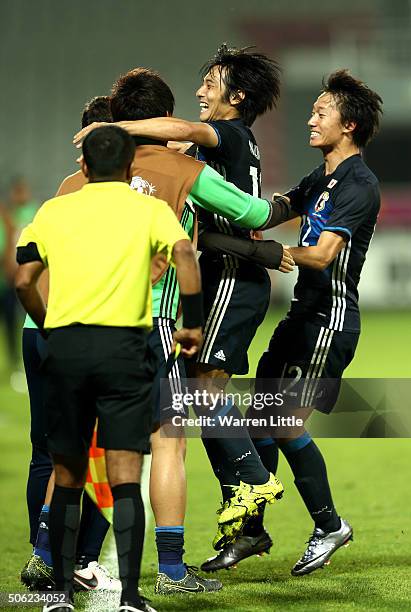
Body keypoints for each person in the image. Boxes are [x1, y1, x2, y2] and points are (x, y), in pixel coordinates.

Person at [74, 46, 289, 557]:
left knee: (199, 390)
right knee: (194, 399)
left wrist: (118, 129)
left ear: (235, 97)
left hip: (230, 283)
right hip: (221, 281)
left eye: (211, 84)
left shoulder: (224, 135)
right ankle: (247, 510)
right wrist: (267, 241)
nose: (200, 93)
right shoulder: (194, 164)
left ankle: (252, 480)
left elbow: (194, 140)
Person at [200, 69, 383, 574]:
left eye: (321, 112)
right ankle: (252, 532)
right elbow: (275, 208)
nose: (310, 119)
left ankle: (329, 526)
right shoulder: (320, 178)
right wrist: (227, 205)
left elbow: (323, 255)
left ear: (348, 125)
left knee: (281, 425)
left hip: (329, 321)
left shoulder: (358, 184)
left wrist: (268, 252)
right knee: (260, 418)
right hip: (301, 317)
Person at [15, 125, 203, 612]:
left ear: (83, 167)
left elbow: (22, 278)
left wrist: (48, 324)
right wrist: (193, 325)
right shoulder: (150, 210)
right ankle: (132, 598)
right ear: (128, 169)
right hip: (125, 349)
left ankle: (57, 593)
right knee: (124, 475)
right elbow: (184, 253)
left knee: (69, 473)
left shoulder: (54, 211)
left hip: (68, 348)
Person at [20, 96, 121, 593]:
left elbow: (25, 274)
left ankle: (44, 555)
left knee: (46, 451)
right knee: (106, 451)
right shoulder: (126, 197)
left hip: (37, 330)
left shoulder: (59, 196)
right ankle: (77, 558)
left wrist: (45, 325)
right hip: (89, 334)